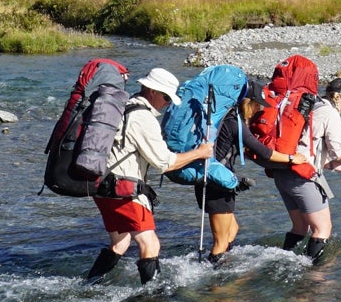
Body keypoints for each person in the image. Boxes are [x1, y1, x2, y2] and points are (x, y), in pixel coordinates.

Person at [84, 68, 213, 285]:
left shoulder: (123, 106)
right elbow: (164, 163)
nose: (167, 103)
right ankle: (152, 298)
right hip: (124, 190)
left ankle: (89, 285)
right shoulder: (142, 117)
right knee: (150, 243)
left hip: (102, 187)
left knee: (120, 242)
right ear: (151, 91)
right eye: (165, 97)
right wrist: (200, 153)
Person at [196, 84, 301, 267]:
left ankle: (220, 268)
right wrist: (292, 158)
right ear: (247, 103)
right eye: (257, 105)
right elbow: (263, 152)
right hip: (217, 184)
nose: (259, 110)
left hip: (213, 180)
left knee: (232, 230)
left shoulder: (222, 118)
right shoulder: (234, 122)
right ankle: (213, 281)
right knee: (221, 241)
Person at [274, 76, 341, 260]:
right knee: (323, 229)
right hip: (301, 179)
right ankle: (313, 277)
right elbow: (338, 152)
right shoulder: (331, 113)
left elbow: (315, 155)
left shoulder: (310, 106)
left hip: (283, 173)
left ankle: (281, 259)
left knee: (300, 228)